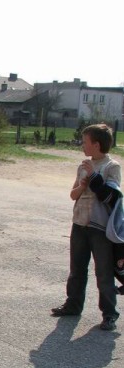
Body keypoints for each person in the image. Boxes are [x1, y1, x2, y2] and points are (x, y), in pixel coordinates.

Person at [51, 123, 122, 331]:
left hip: (100, 228)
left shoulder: (112, 167)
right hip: (79, 224)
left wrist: (94, 177)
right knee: (77, 269)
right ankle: (73, 305)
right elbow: (73, 195)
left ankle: (109, 314)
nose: (82, 145)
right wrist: (83, 183)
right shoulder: (83, 166)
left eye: (85, 142)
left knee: (103, 273)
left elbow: (111, 198)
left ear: (97, 145)